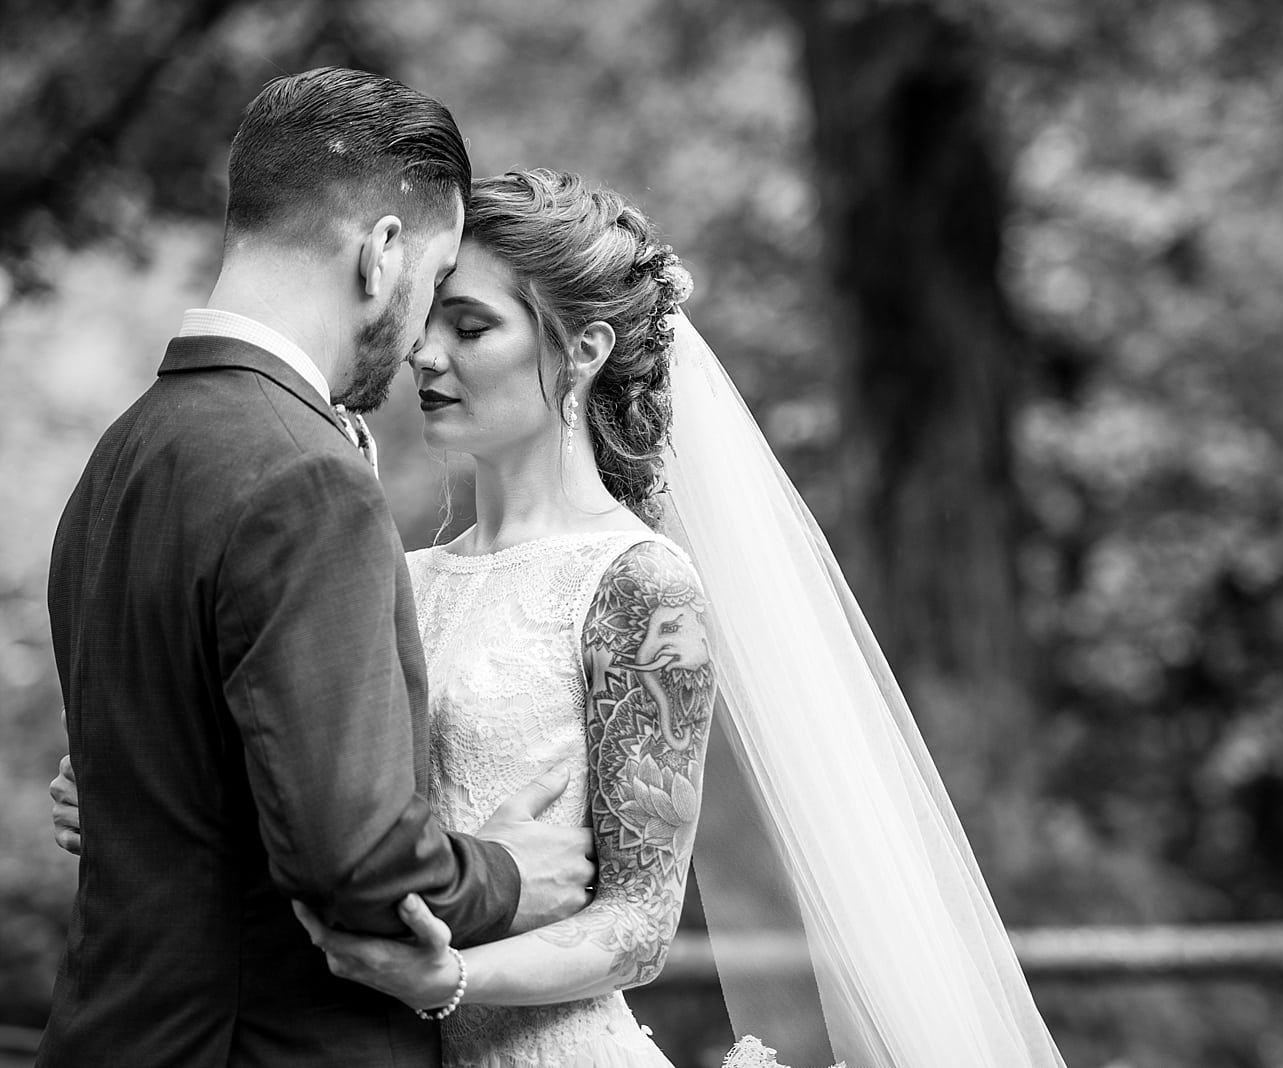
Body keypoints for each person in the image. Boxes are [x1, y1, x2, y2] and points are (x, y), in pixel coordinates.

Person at [55, 166, 1069, 1066]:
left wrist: (452, 983)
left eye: (473, 327)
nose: (425, 356)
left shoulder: (639, 586)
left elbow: (639, 922)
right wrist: (131, 788)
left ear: (581, 350)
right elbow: (310, 804)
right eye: (432, 320)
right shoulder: (396, 571)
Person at [40, 72, 594, 1068]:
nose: (424, 335)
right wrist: (515, 874)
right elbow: (357, 864)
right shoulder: (306, 478)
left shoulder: (124, 454)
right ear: (382, 255)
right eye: (432, 283)